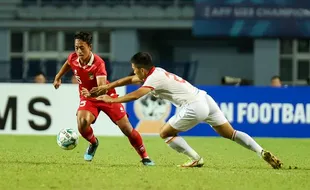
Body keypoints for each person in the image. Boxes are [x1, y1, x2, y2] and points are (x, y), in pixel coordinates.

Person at [88, 52, 283, 169]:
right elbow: (130, 80)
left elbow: (137, 94)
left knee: (165, 133)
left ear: (141, 69)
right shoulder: (156, 71)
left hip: (193, 106)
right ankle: (261, 151)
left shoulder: (153, 78)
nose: (133, 72)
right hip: (205, 99)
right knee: (230, 133)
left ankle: (195, 159)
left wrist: (113, 99)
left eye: (134, 68)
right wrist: (108, 86)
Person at [53, 32, 154, 166]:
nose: (78, 51)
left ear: (90, 47)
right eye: (76, 47)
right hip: (88, 97)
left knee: (127, 129)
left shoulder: (98, 63)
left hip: (106, 96)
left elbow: (102, 88)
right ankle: (93, 143)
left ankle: (145, 157)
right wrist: (58, 77)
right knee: (82, 123)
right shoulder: (73, 57)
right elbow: (68, 63)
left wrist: (90, 93)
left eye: (82, 47)